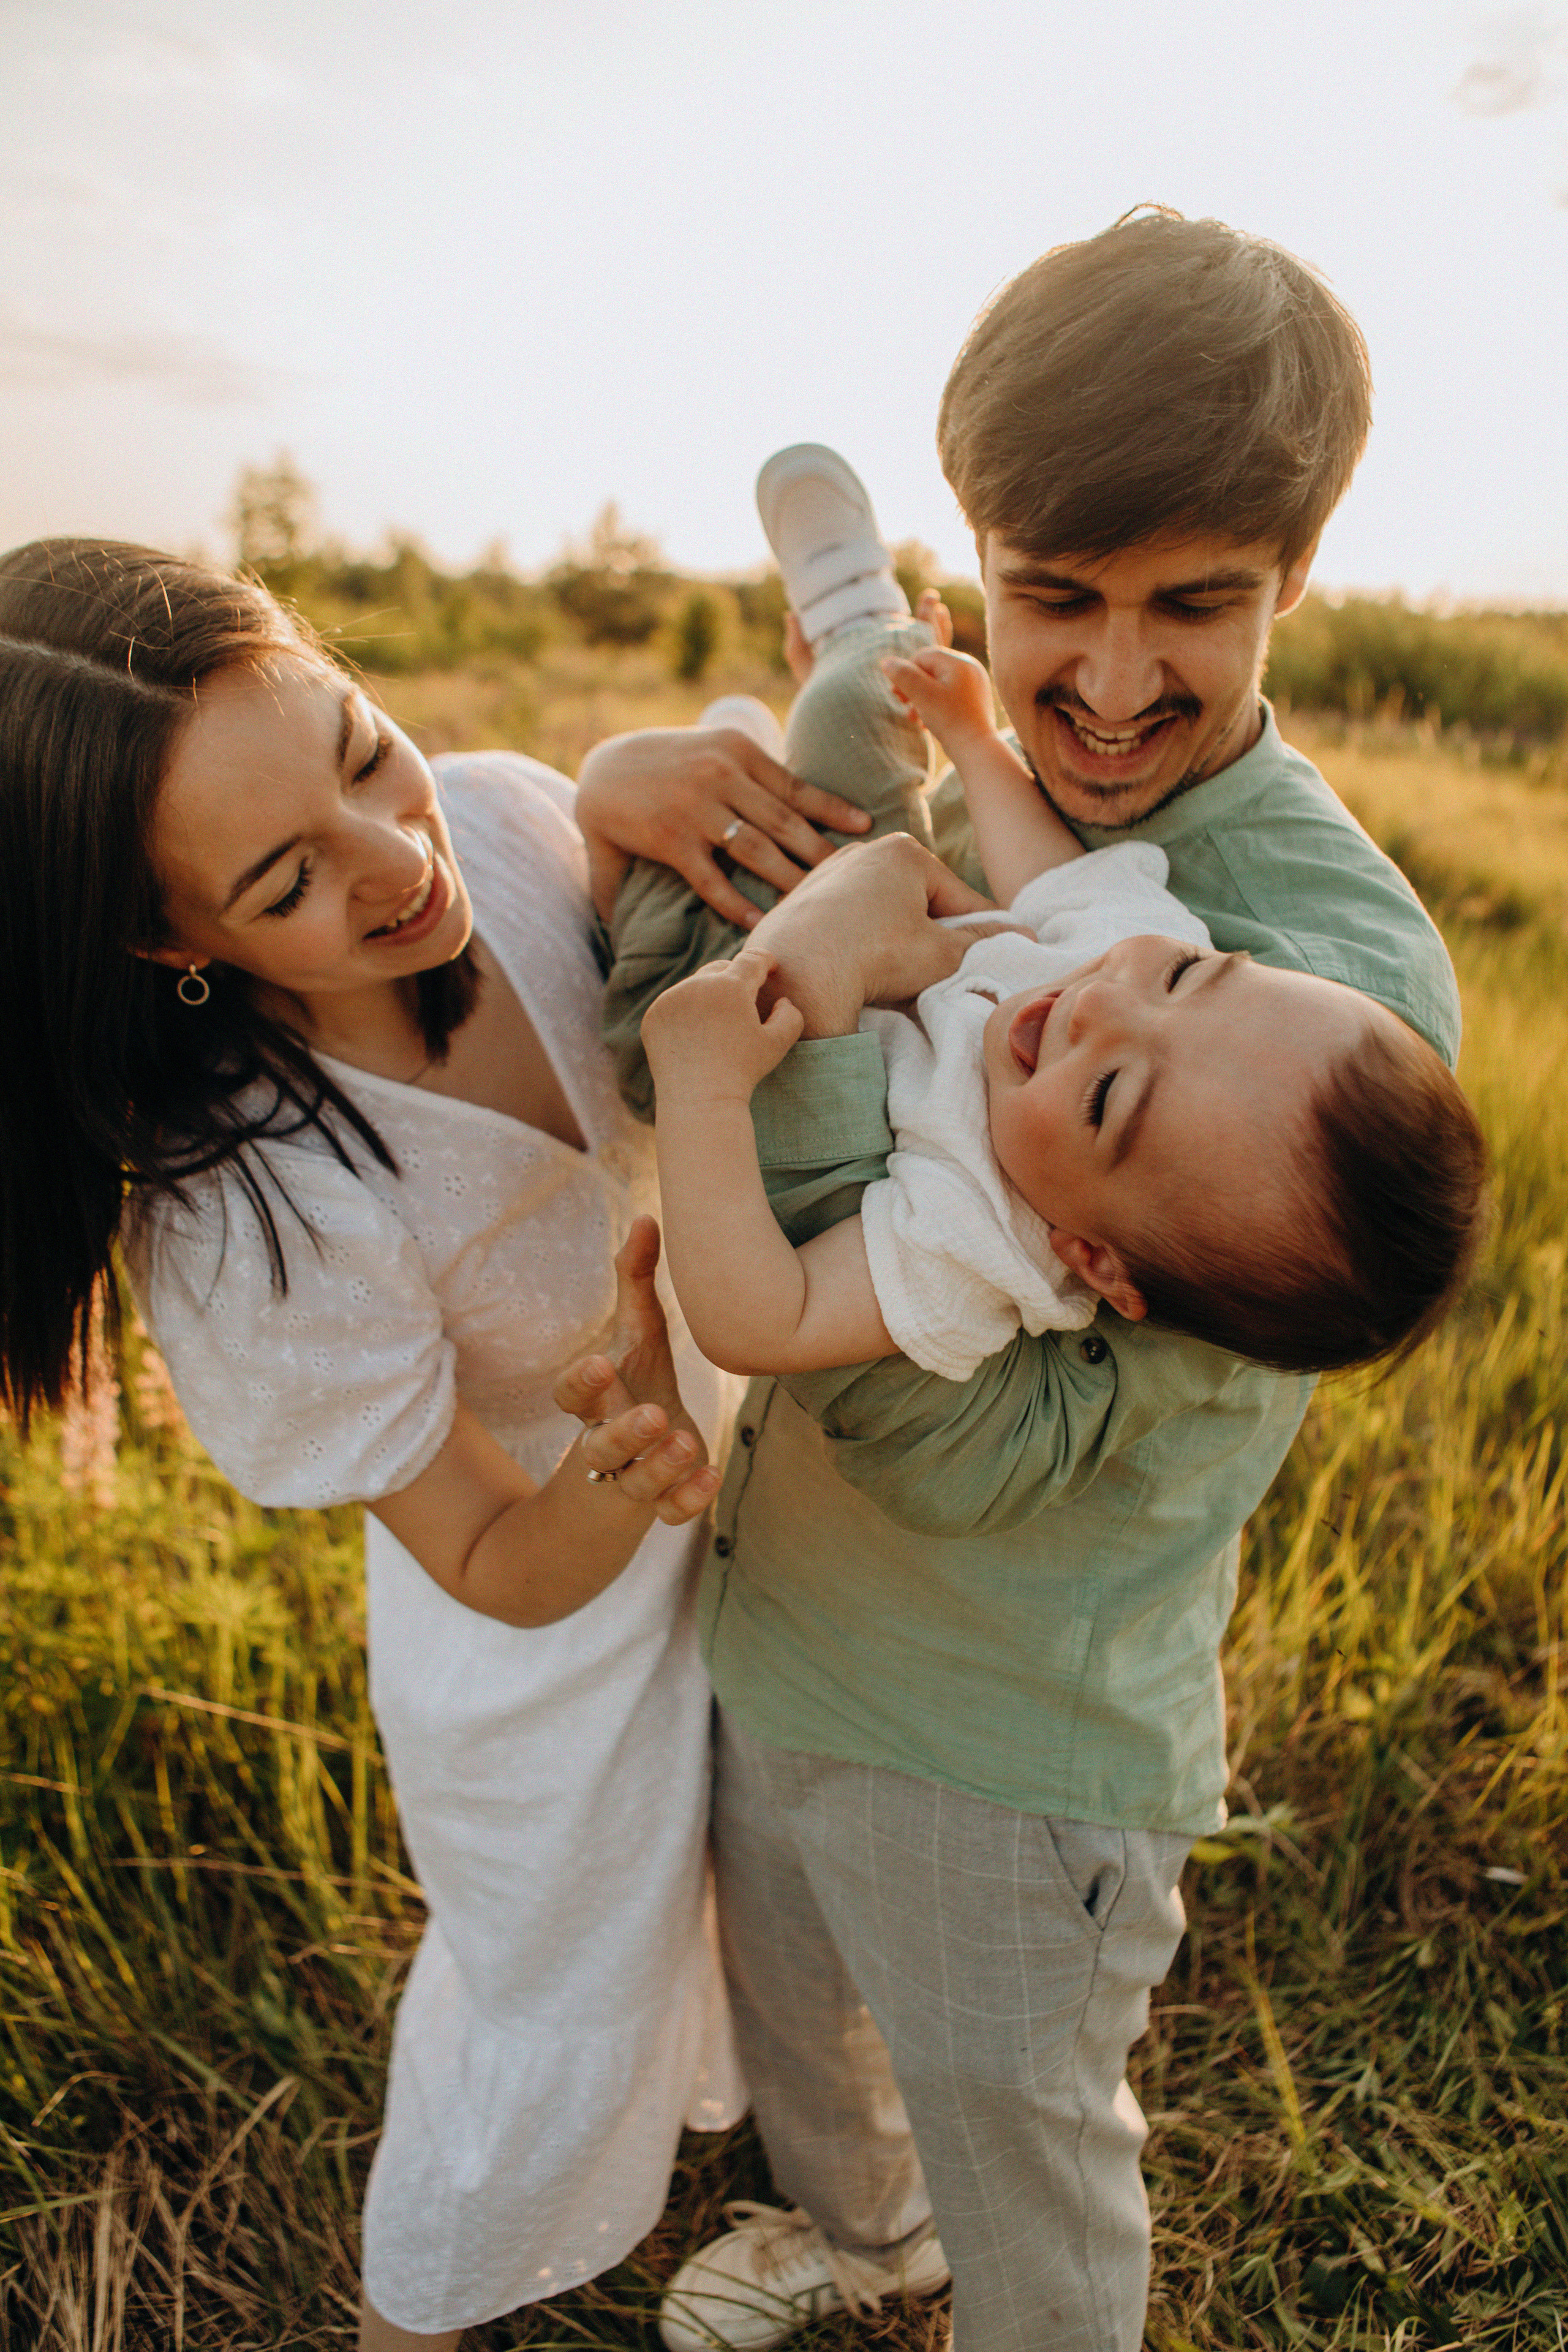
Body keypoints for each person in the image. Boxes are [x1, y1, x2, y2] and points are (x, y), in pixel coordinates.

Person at [573, 211, 1470, 2352]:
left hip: (1005, 1745)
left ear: (1295, 579)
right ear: (974, 549)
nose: (1114, 684)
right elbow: (667, 1035)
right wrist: (623, 801)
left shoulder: (1329, 1015)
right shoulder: (1025, 805)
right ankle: (867, 2237)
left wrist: (817, 973)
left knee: (1022, 2132)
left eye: (1198, 606)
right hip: (783, 1620)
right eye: (1055, 595)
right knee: (807, 2021)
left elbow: (961, 1441)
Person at [0, 537, 874, 2352]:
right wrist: (618, 1468)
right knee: (555, 1999)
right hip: (542, 1636)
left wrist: (637, 782)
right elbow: (486, 1559)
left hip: (744, 1520)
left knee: (775, 1889)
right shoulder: (254, 1211)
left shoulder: (496, 822)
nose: (392, 857)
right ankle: (425, 2311)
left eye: (361, 752)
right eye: (286, 878)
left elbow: (679, 918)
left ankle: (825, 2178)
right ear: (172, 941)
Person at [639, 622, 1483, 1386]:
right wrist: (972, 739)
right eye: (1186, 977)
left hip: (695, 1018)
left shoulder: (981, 1233)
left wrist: (698, 1089)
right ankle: (842, 623)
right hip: (834, 895)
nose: (1099, 1005)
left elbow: (765, 1322)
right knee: (860, 692)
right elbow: (1051, 875)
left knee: (673, 868)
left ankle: (771, 694)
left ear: (1095, 1261)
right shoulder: (1138, 939)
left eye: (1109, 1095)